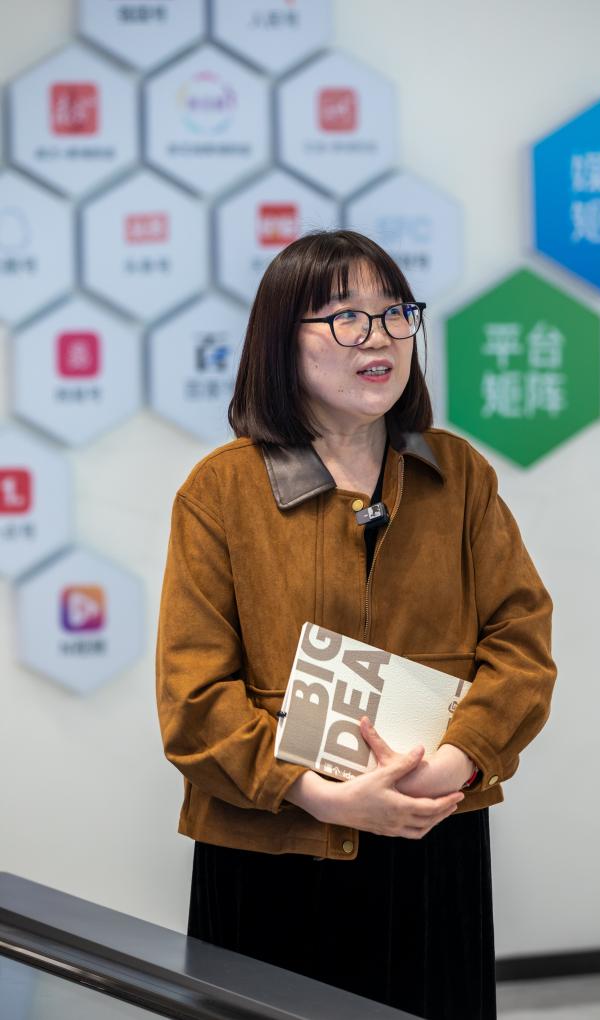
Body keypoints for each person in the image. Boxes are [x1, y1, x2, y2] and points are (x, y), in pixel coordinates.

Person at [155, 229, 557, 1020]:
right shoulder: (221, 490)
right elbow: (193, 700)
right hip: (275, 849)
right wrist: (320, 796)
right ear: (282, 340)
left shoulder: (457, 474)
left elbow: (521, 645)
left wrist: (457, 764)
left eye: (394, 312)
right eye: (345, 316)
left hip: (430, 840)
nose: (378, 337)